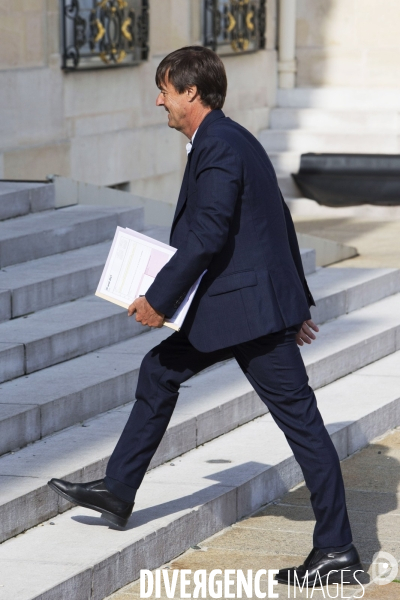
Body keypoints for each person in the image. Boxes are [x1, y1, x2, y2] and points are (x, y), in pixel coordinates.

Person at [48, 46, 362, 587]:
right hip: (239, 307)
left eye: (165, 90)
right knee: (160, 371)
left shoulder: (218, 145)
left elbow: (208, 233)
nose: (159, 100)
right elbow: (275, 220)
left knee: (304, 427)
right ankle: (119, 490)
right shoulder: (231, 138)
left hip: (249, 316)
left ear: (191, 92)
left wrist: (158, 299)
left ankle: (337, 549)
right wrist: (296, 302)